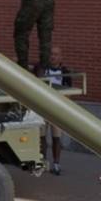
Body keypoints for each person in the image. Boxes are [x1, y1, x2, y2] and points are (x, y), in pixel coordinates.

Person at [39, 47, 70, 175]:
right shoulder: (42, 69)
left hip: (57, 110)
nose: (53, 56)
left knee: (56, 138)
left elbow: (68, 91)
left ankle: (56, 164)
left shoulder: (65, 72)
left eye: (56, 54)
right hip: (42, 107)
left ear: (61, 57)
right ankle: (43, 162)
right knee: (42, 136)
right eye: (51, 54)